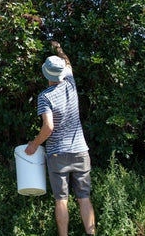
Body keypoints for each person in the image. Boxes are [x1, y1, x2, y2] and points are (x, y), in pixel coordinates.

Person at [25, 42, 95, 236]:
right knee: (84, 198)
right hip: (81, 151)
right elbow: (68, 63)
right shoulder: (71, 83)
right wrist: (60, 49)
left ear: (46, 74)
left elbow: (48, 127)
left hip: (57, 154)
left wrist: (34, 145)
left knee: (61, 200)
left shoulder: (45, 97)